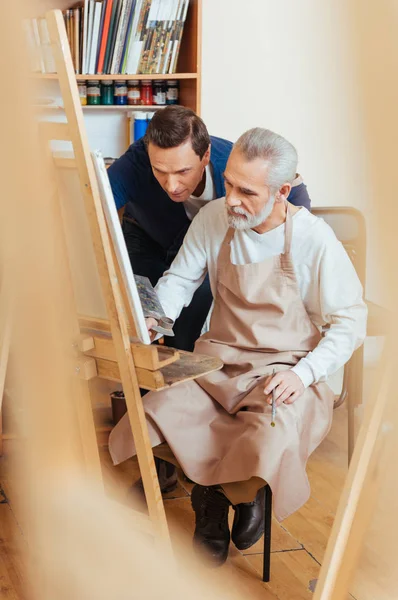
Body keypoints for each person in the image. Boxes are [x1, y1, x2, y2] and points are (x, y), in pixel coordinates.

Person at [109, 127, 367, 566]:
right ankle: (213, 501)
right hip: (218, 362)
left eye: (246, 191)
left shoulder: (312, 239)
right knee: (155, 412)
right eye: (228, 183)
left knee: (269, 434)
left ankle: (246, 495)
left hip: (285, 371)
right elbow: (179, 280)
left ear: (283, 191)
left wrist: (302, 375)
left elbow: (351, 320)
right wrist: (157, 317)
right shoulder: (214, 219)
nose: (230, 198)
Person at [107, 106, 311, 353]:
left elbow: (293, 194)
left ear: (205, 157)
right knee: (146, 314)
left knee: (196, 309)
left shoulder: (231, 164)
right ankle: (147, 385)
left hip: (200, 244)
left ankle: (185, 372)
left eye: (183, 171)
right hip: (147, 238)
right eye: (160, 172)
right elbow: (95, 208)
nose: (171, 186)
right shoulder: (136, 162)